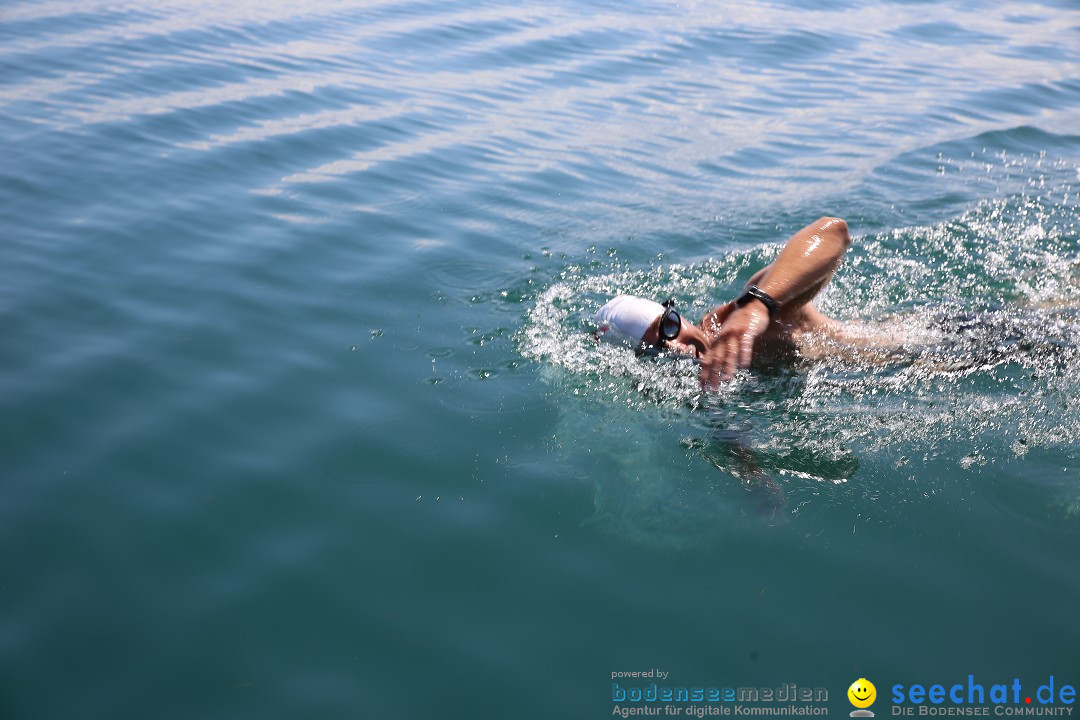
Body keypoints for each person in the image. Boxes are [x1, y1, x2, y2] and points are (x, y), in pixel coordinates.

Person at [593, 216, 852, 389]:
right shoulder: (703, 377)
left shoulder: (737, 315)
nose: (676, 348)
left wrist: (757, 305)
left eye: (669, 327)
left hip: (889, 356)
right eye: (655, 350)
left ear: (678, 316)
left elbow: (834, 231)